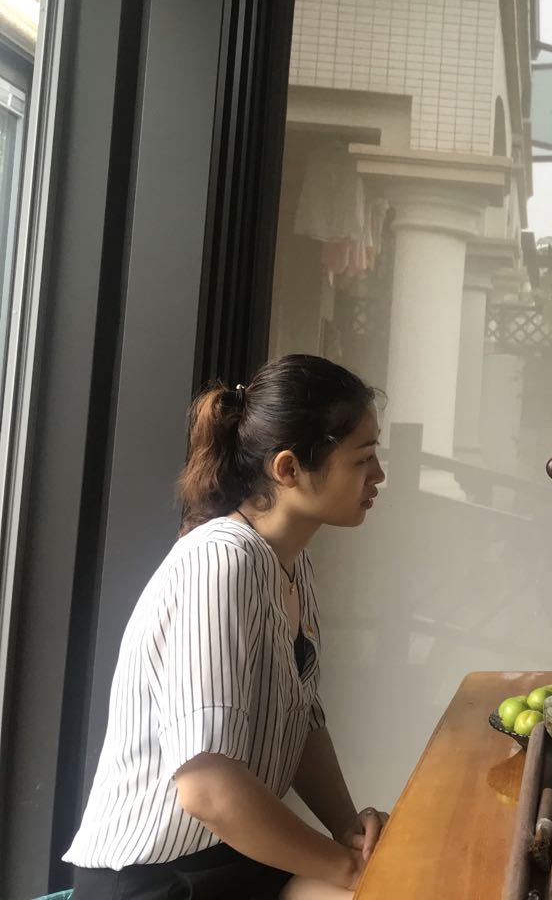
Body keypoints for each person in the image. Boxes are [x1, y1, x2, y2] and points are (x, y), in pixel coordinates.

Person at [65, 354, 389, 900]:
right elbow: (207, 790)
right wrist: (350, 871)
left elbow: (300, 720)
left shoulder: (290, 562)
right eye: (363, 457)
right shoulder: (221, 563)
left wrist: (349, 833)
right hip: (154, 881)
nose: (378, 475)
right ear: (288, 469)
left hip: (229, 856)